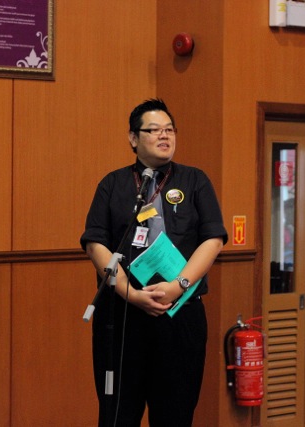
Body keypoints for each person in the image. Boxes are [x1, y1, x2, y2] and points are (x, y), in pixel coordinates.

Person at [80, 98, 228, 426]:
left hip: (179, 313)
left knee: (175, 415)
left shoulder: (195, 181)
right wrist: (131, 294)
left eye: (170, 130)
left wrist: (179, 285)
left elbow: (213, 239)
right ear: (133, 138)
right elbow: (95, 243)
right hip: (122, 315)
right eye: (155, 130)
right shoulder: (113, 184)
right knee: (118, 414)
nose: (165, 136)